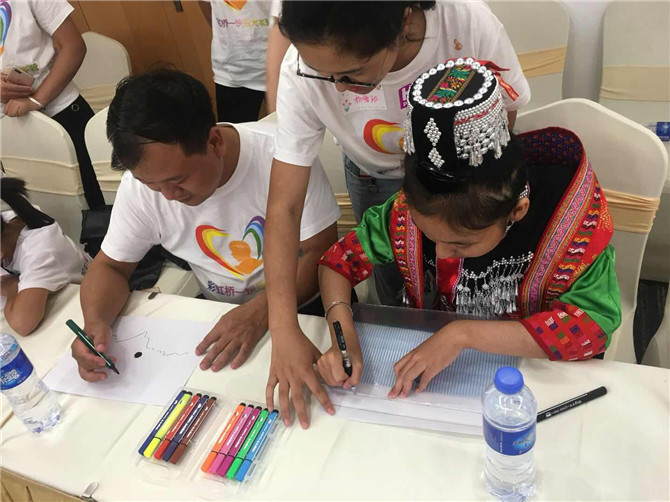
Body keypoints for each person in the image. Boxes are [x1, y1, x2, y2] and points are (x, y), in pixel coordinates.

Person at [263, 0, 531, 428]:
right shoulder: (398, 218)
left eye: (353, 73)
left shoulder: (466, 24)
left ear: (403, 21)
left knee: (475, 282)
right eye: (323, 75)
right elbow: (286, 206)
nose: (338, 90)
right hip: (399, 193)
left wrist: (465, 209)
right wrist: (286, 329)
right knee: (404, 291)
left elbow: (499, 129)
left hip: (467, 194)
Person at [317, 59, 621, 397]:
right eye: (428, 235)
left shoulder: (570, 219)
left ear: (516, 211)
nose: (442, 253)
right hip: (442, 374)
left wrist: (463, 335)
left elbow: (591, 327)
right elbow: (338, 263)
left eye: (461, 244)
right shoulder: (413, 208)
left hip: (536, 378)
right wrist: (342, 336)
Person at [71, 70, 339, 383]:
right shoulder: (142, 186)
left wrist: (260, 312)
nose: (169, 195)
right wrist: (95, 324)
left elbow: (322, 253)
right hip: (220, 315)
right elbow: (111, 267)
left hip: (306, 308)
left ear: (214, 142)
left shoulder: (283, 158)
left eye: (178, 180)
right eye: (152, 184)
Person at [0, 0, 105, 209]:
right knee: (36, 205)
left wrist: (36, 100)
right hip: (7, 129)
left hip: (61, 112)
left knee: (95, 201)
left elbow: (73, 46)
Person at [1, 177, 90, 336]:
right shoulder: (8, 224)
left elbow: (22, 324)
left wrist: (10, 286)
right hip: (48, 297)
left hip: (79, 300)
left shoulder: (40, 250)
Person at [198, 0, 273, 122]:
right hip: (231, 69)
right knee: (235, 132)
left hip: (282, 64)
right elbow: (204, 3)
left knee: (292, 129)